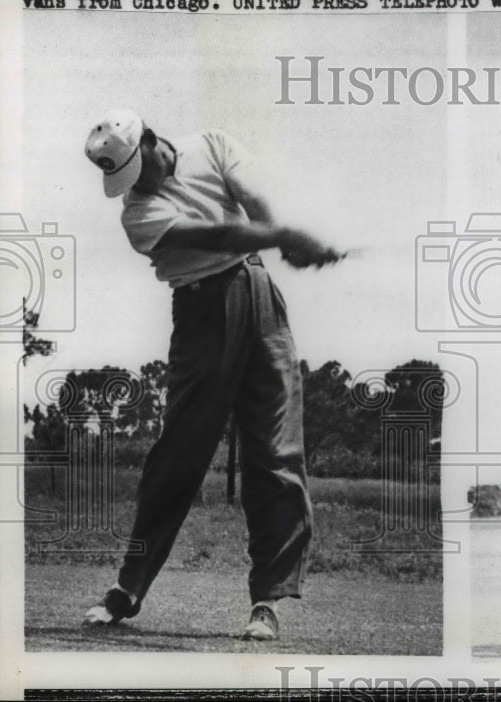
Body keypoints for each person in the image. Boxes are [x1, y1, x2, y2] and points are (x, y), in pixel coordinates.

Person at [81, 108, 341, 640]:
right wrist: (285, 235)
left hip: (259, 294)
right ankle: (127, 588)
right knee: (179, 454)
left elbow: (252, 204)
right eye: (125, 182)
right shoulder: (137, 214)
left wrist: (280, 236)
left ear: (151, 141)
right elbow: (217, 236)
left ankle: (267, 602)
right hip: (200, 310)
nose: (137, 186)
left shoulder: (213, 143)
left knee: (274, 449)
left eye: (138, 171)